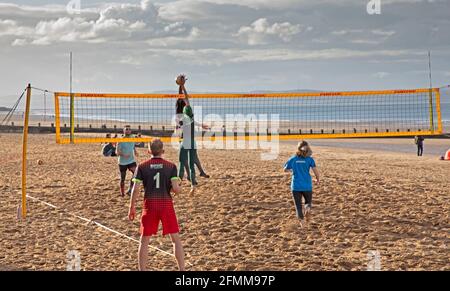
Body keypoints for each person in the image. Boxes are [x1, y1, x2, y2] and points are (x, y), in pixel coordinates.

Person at [128, 139, 185, 271]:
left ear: (149, 151)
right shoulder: (171, 166)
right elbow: (176, 190)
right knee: (175, 239)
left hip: (150, 205)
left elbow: (135, 189)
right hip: (165, 205)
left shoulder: (142, 166)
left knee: (144, 240)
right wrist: (178, 187)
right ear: (163, 151)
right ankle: (182, 270)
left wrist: (131, 207)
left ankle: (142, 270)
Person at [175, 75, 209, 194]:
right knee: (190, 163)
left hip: (185, 142)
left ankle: (178, 181)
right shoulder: (191, 116)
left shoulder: (181, 118)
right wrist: (183, 86)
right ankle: (193, 184)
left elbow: (183, 99)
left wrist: (181, 86)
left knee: (181, 161)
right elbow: (186, 99)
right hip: (193, 142)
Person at [284, 141, 320, 226]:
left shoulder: (293, 159)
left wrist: (291, 170)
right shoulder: (310, 159)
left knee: (298, 205)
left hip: (296, 186)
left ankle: (302, 222)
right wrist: (317, 179)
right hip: (307, 185)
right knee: (308, 202)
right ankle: (307, 209)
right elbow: (316, 172)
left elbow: (285, 169)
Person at [116, 125, 138, 196]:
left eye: (129, 129)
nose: (128, 130)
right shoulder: (120, 140)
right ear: (124, 131)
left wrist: (135, 151)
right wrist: (124, 155)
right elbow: (117, 152)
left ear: (130, 131)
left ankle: (130, 189)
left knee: (136, 174)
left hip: (131, 160)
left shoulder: (133, 138)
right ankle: (122, 192)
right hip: (122, 162)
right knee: (123, 178)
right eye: (126, 129)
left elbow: (133, 145)